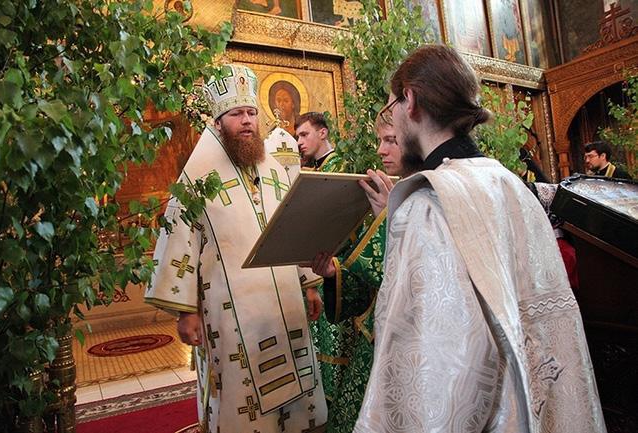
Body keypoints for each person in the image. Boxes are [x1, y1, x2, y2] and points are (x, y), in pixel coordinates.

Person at [354, 44, 606, 433]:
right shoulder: (510, 184)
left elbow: (437, 370)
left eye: (391, 110)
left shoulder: (430, 204)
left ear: (410, 100)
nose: (394, 125)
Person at [145, 64, 327, 433]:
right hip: (229, 315)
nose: (246, 121)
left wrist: (308, 284)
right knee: (242, 405)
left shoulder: (273, 170)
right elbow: (180, 244)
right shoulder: (197, 179)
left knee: (296, 403)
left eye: (250, 113)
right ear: (218, 123)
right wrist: (186, 312)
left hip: (284, 306)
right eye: (236, 114)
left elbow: (292, 227)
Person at [310, 115, 421, 433]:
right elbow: (367, 288)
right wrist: (333, 274)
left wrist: (390, 219)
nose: (381, 150)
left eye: (390, 140)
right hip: (373, 340)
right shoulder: (386, 193)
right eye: (379, 141)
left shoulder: (428, 194)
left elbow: (418, 279)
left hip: (411, 348)